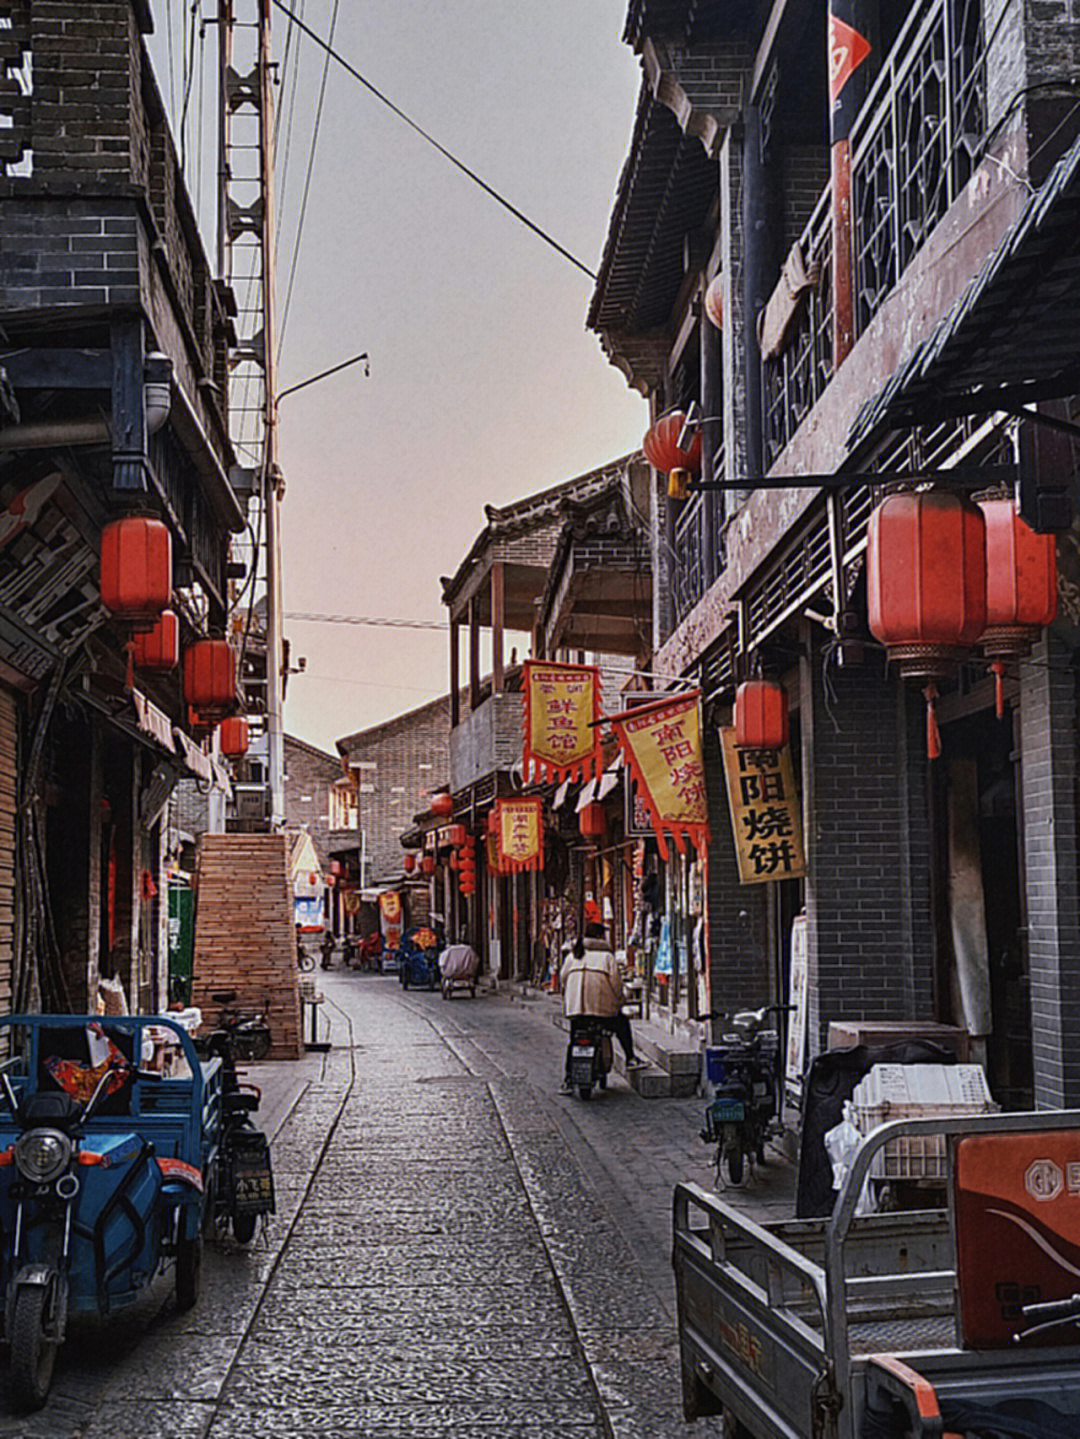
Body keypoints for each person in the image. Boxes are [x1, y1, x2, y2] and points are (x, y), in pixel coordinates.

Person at [559, 921, 642, 1092]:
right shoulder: (607, 958)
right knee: (622, 1025)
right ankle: (631, 1058)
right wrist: (619, 1002)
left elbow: (563, 980)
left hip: (576, 1011)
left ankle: (568, 1079)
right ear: (599, 937)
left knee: (574, 1040)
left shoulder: (572, 956)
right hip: (602, 1012)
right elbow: (616, 985)